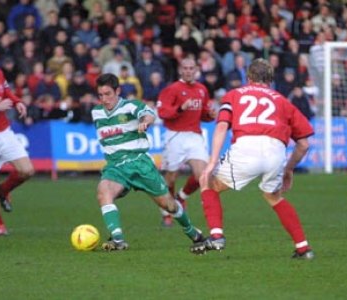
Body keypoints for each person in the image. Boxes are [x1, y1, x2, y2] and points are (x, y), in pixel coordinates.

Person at [190, 58, 315, 260]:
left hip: (246, 147)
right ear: (271, 79)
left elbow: (221, 126)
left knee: (207, 183)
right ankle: (303, 248)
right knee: (273, 197)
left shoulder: (233, 95)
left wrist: (212, 161)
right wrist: (289, 170)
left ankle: (216, 235)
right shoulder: (283, 101)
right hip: (276, 151)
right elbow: (304, 144)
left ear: (248, 78)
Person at [92, 73, 204, 251]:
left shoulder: (130, 106)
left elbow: (148, 114)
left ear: (117, 91)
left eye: (108, 94)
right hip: (115, 167)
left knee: (169, 205)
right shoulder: (96, 112)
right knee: (103, 193)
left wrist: (145, 122)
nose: (104, 99)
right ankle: (118, 240)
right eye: (100, 95)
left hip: (139, 164)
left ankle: (193, 233)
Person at [157, 57, 216, 226]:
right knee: (170, 178)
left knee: (202, 175)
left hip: (194, 136)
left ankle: (181, 197)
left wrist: (209, 116)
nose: (189, 71)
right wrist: (180, 108)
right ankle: (167, 210)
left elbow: (203, 113)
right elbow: (162, 112)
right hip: (175, 136)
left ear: (196, 69)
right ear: (180, 70)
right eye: (185, 68)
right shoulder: (172, 89)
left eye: (192, 68)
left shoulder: (202, 89)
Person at [0, 46, 34, 234]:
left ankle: (4, 191)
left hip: (4, 132)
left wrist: (17, 101)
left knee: (27, 170)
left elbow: (7, 93)